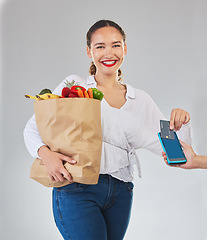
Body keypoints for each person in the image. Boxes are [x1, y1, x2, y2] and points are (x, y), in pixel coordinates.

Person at [24, 20, 192, 240]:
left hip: (121, 193)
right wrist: (46, 155)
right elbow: (32, 128)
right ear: (89, 51)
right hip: (78, 189)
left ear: (124, 49)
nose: (108, 53)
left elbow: (177, 154)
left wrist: (182, 121)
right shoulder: (75, 86)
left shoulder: (140, 100)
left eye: (115, 45)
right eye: (100, 46)